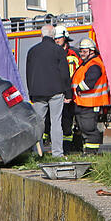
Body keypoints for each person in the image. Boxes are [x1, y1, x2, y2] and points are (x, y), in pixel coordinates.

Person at [25, 23, 73, 158]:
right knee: (56, 122)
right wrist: (68, 93)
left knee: (38, 123)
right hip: (56, 91)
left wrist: (31, 92)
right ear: (53, 36)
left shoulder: (32, 51)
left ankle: (37, 152)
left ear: (41, 35)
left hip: (38, 92)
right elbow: (65, 74)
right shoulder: (58, 51)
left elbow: (29, 73)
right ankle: (58, 153)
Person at [71, 38, 108, 153]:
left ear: (92, 51)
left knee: (89, 129)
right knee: (84, 129)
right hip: (83, 103)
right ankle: (87, 151)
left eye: (84, 51)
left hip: (90, 103)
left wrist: (78, 88)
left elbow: (89, 82)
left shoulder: (95, 64)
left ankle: (91, 154)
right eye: (81, 51)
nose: (81, 54)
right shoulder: (86, 63)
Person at [54, 25, 82, 153]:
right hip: (60, 92)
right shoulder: (54, 52)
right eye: (55, 38)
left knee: (71, 122)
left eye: (58, 38)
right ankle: (65, 148)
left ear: (65, 38)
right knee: (62, 122)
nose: (56, 41)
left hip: (73, 94)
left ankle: (70, 148)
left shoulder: (73, 54)